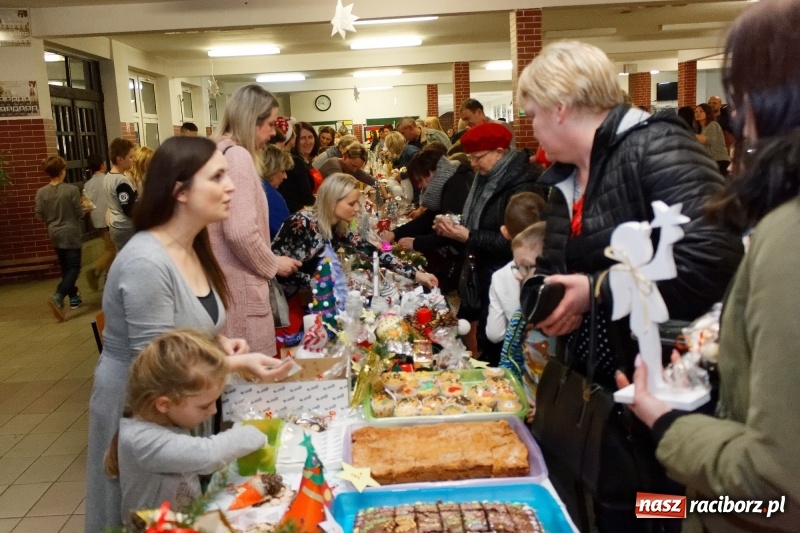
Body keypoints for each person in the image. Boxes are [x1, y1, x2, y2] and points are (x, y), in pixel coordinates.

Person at [517, 40, 744, 532]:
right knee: (605, 509)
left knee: (658, 510)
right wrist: (549, 295)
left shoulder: (655, 144)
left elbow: (715, 256)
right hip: (597, 394)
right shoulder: (567, 178)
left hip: (663, 390)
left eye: (533, 114)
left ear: (560, 107)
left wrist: (595, 291)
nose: (531, 128)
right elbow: (563, 269)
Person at [625, 2, 800, 531]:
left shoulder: (788, 234)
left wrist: (666, 423)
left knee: (650, 504)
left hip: (740, 506)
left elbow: (776, 485)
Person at [85, 136, 294, 533]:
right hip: (141, 406)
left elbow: (188, 326)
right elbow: (160, 363)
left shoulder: (192, 244)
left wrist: (218, 343)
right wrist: (234, 362)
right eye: (217, 177)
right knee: (149, 517)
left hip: (179, 400)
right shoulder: (146, 261)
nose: (231, 186)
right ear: (180, 190)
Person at [106, 329, 268, 526]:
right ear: (164, 404)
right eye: (205, 405)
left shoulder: (168, 418)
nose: (214, 411)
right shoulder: (141, 439)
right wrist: (256, 432)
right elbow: (207, 454)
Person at [433, 122, 542, 366]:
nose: (472, 163)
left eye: (477, 157)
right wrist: (453, 226)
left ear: (500, 152)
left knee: (503, 347)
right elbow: (481, 219)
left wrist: (469, 237)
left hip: (509, 276)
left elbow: (516, 241)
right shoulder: (487, 176)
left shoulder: (523, 184)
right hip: (484, 272)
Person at [210, 84, 302, 356]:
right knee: (250, 381)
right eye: (271, 124)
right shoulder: (237, 156)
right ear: (252, 120)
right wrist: (272, 264)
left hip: (225, 285)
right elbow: (239, 232)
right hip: (239, 291)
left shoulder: (220, 150)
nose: (273, 133)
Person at [272, 173, 438, 298]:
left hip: (308, 296)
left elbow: (372, 251)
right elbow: (284, 271)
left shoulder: (338, 225)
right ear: (331, 202)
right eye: (351, 204)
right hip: (282, 299)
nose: (358, 209)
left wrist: (416, 273)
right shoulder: (303, 224)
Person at [383, 150, 474, 292]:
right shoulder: (449, 181)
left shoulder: (456, 186)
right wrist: (395, 233)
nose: (419, 187)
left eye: (419, 181)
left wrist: (416, 243)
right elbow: (429, 217)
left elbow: (451, 233)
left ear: (431, 172)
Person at [497, 221, 555, 420]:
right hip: (521, 414)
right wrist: (513, 396)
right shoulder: (521, 319)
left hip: (553, 423)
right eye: (517, 268)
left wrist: (549, 411)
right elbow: (508, 365)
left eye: (526, 267)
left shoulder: (570, 327)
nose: (519, 277)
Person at [485, 192, 546, 344]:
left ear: (505, 232)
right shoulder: (561, 271)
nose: (520, 275)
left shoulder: (500, 277)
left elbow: (494, 334)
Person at [35, 155, 84, 321]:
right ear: (62, 171)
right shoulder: (71, 190)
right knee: (74, 267)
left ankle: (74, 297)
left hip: (53, 232)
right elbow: (79, 213)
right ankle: (58, 295)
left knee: (65, 267)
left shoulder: (41, 192)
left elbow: (39, 215)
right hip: (70, 232)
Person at [83, 153, 115, 292]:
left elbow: (86, 204)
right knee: (111, 249)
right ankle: (96, 270)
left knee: (109, 247)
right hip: (109, 219)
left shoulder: (88, 184)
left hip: (96, 220)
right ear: (102, 165)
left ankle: (109, 277)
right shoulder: (109, 179)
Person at [105, 137, 136, 250]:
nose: (134, 160)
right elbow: (129, 209)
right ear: (120, 159)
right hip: (125, 228)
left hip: (115, 225)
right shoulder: (121, 181)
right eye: (131, 157)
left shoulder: (108, 176)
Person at [261, 144, 293, 239]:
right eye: (282, 171)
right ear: (272, 169)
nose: (285, 176)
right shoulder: (272, 197)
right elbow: (286, 234)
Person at [695, 102, 731, 175]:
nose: (698, 113)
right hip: (709, 162)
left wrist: (687, 133)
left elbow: (706, 140)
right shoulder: (701, 129)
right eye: (696, 112)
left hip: (720, 161)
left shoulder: (713, 125)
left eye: (701, 111)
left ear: (707, 113)